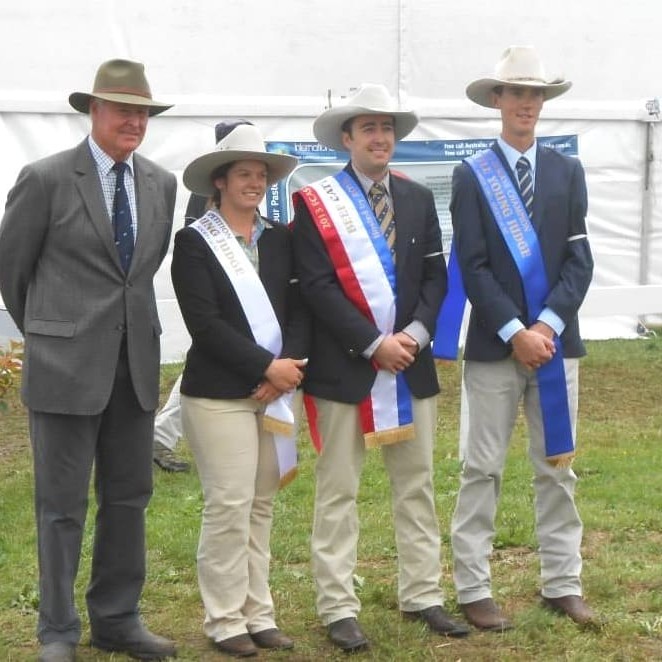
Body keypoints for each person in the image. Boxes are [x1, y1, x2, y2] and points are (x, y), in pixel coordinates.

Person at [0, 59, 177, 661]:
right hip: (64, 372)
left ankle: (117, 618)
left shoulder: (161, 183)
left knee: (128, 499)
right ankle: (56, 630)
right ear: (93, 112)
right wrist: (56, 337)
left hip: (135, 369)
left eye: (143, 112)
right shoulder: (44, 178)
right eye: (122, 109)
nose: (134, 121)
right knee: (60, 508)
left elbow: (141, 274)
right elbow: (14, 275)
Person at [291, 83, 469, 652]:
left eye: (387, 128)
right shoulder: (314, 202)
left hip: (410, 366)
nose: (380, 137)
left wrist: (413, 337)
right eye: (368, 128)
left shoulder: (417, 199)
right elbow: (316, 288)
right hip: (346, 370)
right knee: (338, 490)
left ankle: (422, 595)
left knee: (416, 486)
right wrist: (374, 344)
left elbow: (437, 276)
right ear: (346, 139)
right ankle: (338, 607)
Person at [449, 46, 597, 631]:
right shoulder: (471, 175)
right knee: (481, 467)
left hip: (556, 344)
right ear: (497, 100)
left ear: (543, 103)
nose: (526, 104)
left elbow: (579, 259)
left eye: (535, 95)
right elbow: (473, 263)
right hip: (495, 344)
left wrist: (547, 326)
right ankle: (473, 585)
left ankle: (563, 582)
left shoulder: (567, 171)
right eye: (516, 94)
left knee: (557, 465)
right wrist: (515, 329)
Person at [171, 122, 309, 658]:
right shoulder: (193, 242)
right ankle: (225, 618)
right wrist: (266, 368)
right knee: (229, 504)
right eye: (244, 174)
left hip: (274, 390)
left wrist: (289, 366)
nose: (254, 182)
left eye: (261, 175)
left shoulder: (280, 239)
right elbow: (204, 324)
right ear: (220, 181)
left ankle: (260, 613)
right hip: (218, 395)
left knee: (261, 506)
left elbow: (298, 309)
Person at [153, 121, 254, 474]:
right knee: (213, 359)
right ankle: (162, 435)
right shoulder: (209, 191)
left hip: (250, 300)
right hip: (222, 300)